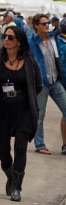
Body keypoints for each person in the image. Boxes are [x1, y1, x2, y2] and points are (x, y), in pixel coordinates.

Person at [0, 20, 41, 202]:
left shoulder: (30, 61)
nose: (6, 40)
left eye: (10, 37)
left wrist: (22, 96)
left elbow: (38, 85)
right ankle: (10, 174)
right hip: (1, 112)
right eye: (4, 37)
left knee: (21, 147)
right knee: (3, 151)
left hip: (23, 111)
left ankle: (17, 186)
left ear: (19, 41)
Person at [24, 12, 66, 155]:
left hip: (55, 81)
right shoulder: (31, 42)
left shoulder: (54, 39)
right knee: (39, 116)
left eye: (47, 23)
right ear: (36, 26)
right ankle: (39, 144)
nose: (47, 25)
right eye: (43, 24)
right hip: (41, 83)